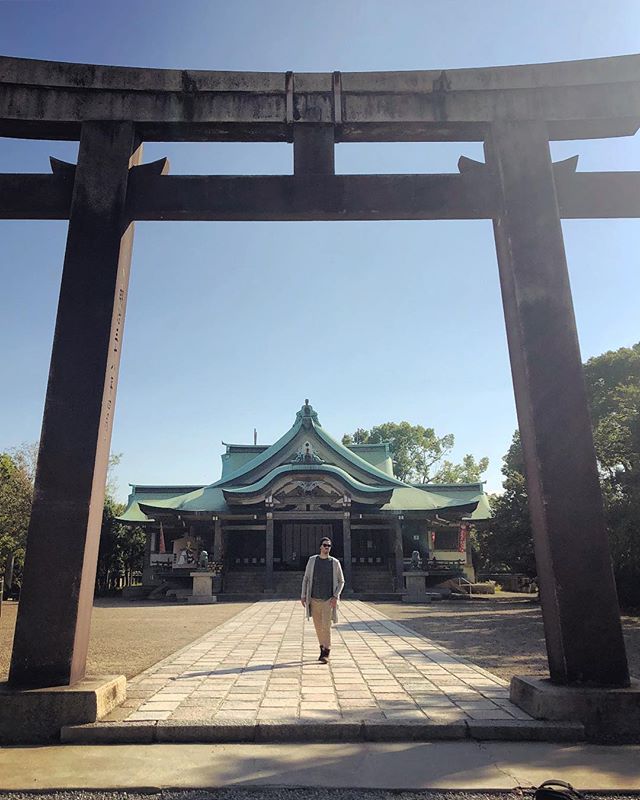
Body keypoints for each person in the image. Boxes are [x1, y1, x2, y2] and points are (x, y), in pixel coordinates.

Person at [300, 537, 345, 664]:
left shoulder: (335, 563)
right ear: (320, 547)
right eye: (325, 545)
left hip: (328, 600)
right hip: (314, 599)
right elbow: (306, 578)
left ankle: (326, 651)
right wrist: (303, 595)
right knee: (318, 626)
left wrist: (336, 596)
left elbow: (341, 581)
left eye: (329, 546)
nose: (327, 548)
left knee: (326, 626)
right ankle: (322, 647)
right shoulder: (312, 561)